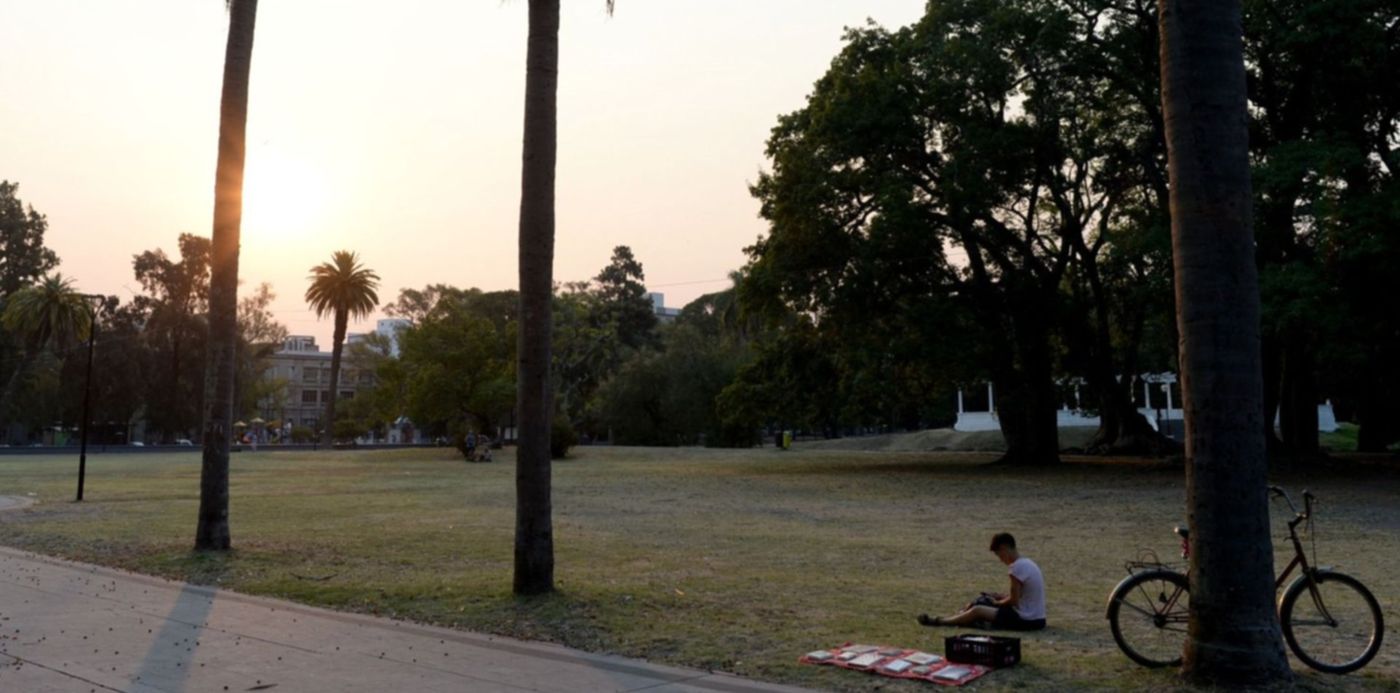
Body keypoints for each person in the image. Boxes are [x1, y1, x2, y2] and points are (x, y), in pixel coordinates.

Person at [918, 532, 1046, 631]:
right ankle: (962, 618)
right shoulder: (1028, 563)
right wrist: (1000, 597)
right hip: (1038, 619)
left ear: (1004, 548)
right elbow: (1023, 596)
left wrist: (998, 602)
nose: (1000, 559)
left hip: (1025, 619)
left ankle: (941, 621)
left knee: (978, 609)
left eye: (998, 554)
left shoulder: (1016, 568)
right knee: (984, 602)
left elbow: (1014, 601)